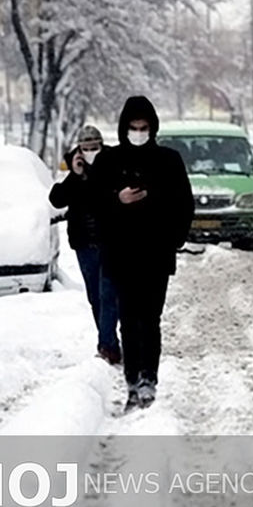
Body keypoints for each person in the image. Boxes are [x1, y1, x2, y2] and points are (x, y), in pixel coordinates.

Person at [90, 96, 194, 411]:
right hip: (120, 255)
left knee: (150, 319)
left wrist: (173, 238)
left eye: (143, 127)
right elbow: (92, 203)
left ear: (152, 127)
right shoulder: (108, 162)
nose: (138, 133)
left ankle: (149, 378)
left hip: (155, 255)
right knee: (127, 319)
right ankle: (132, 381)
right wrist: (117, 200)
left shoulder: (168, 160)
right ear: (124, 128)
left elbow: (184, 204)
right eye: (133, 127)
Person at [49, 125, 122, 365]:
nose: (91, 152)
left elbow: (106, 194)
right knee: (96, 297)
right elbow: (57, 199)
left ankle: (106, 346)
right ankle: (110, 340)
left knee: (108, 294)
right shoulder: (74, 170)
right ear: (79, 150)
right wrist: (75, 174)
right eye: (86, 148)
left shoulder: (113, 164)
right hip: (84, 244)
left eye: (95, 148)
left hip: (111, 241)